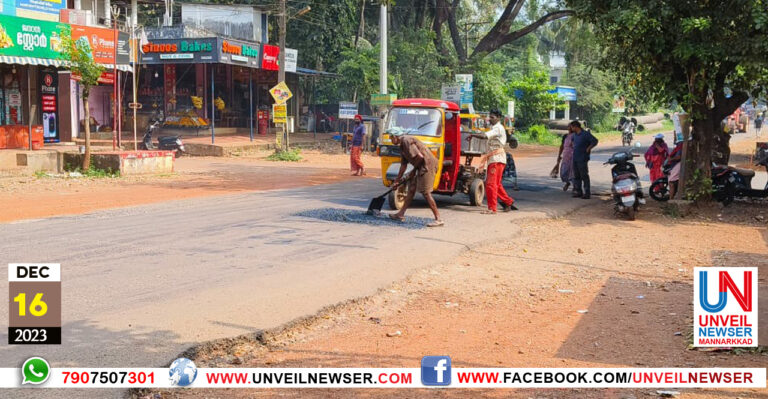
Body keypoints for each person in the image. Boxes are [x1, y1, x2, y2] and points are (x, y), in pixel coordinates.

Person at [387, 127, 443, 227]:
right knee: (412, 189)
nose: (391, 141)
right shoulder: (402, 145)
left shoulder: (406, 140)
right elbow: (403, 165)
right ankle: (400, 214)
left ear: (395, 137)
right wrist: (397, 180)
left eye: (391, 138)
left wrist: (413, 170)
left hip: (427, 165)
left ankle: (438, 219)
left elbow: (420, 157)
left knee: (426, 193)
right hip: (420, 165)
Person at [474, 109, 517, 214]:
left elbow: (485, 136)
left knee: (490, 184)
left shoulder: (497, 128)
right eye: (490, 117)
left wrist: (472, 134)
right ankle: (508, 202)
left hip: (496, 159)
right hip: (495, 158)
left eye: (492, 117)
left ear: (498, 118)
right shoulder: (495, 127)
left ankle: (492, 208)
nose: (490, 119)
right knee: (496, 184)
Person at [570, 120, 598, 199]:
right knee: (576, 176)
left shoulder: (585, 134)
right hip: (575, 157)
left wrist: (589, 148)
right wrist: (573, 145)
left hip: (583, 158)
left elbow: (595, 141)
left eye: (572, 127)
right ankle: (578, 191)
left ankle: (587, 193)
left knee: (584, 175)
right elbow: (572, 141)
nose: (571, 129)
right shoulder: (574, 135)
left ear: (576, 127)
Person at [668, 134, 684, 200]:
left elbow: (679, 157)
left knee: (671, 182)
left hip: (678, 164)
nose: (674, 137)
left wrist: (671, 159)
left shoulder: (681, 145)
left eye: (675, 136)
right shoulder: (678, 146)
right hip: (675, 164)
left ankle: (671, 198)